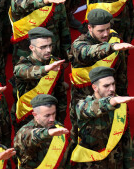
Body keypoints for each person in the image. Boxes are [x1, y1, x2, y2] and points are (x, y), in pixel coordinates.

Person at [68, 9, 134, 155]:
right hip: (85, 104)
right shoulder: (79, 45)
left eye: (108, 29)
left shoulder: (113, 38)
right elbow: (87, 52)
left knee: (115, 139)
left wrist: (122, 97)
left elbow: (120, 72)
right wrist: (110, 47)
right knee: (84, 145)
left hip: (110, 97)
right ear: (90, 28)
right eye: (101, 31)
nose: (106, 34)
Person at [70, 66, 133, 168]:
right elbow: (89, 108)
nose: (112, 89)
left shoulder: (120, 106)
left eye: (113, 84)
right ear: (95, 88)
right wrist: (111, 102)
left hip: (115, 164)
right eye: (106, 86)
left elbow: (127, 143)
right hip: (90, 165)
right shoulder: (82, 105)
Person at [12, 27, 67, 131]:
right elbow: (25, 71)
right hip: (28, 117)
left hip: (51, 116)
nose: (48, 50)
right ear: (32, 48)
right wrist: (47, 69)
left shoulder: (54, 62)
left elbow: (60, 92)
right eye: (43, 47)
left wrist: (61, 117)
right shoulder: (23, 64)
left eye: (50, 46)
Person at [14, 94, 69, 169]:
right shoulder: (25, 131)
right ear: (35, 115)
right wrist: (48, 133)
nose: (52, 119)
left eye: (54, 114)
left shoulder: (58, 127)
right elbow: (31, 135)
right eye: (47, 115)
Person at [9, 0, 71, 66]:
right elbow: (19, 5)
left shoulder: (56, 2)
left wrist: (65, 57)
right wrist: (45, 1)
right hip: (28, 58)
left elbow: (64, 29)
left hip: (53, 54)